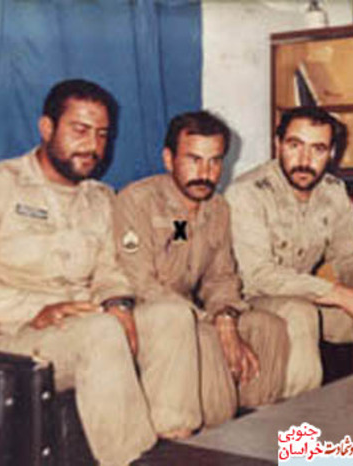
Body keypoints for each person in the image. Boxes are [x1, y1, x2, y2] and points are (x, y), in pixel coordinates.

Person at [0, 79, 199, 466]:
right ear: (47, 128)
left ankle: (175, 447)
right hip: (8, 335)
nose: (92, 145)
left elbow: (112, 267)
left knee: (172, 316)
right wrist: (34, 309)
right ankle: (130, 460)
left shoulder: (101, 198)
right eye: (80, 130)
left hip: (84, 322)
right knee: (101, 330)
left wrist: (119, 303)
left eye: (102, 134)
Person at [225, 106, 353, 398]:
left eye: (317, 149)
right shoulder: (247, 193)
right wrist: (341, 295)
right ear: (278, 144)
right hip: (251, 302)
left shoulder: (333, 191)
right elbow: (259, 276)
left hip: (308, 296)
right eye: (295, 146)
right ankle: (298, 417)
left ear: (331, 154)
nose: (304, 161)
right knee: (299, 312)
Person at [113, 111, 288, 428]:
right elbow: (141, 284)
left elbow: (221, 277)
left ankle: (256, 426)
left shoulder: (217, 208)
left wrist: (225, 316)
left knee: (268, 327)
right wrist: (211, 321)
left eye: (214, 161)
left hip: (193, 310)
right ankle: (212, 433)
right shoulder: (137, 201)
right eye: (194, 160)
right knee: (207, 340)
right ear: (169, 159)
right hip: (149, 314)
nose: (205, 173)